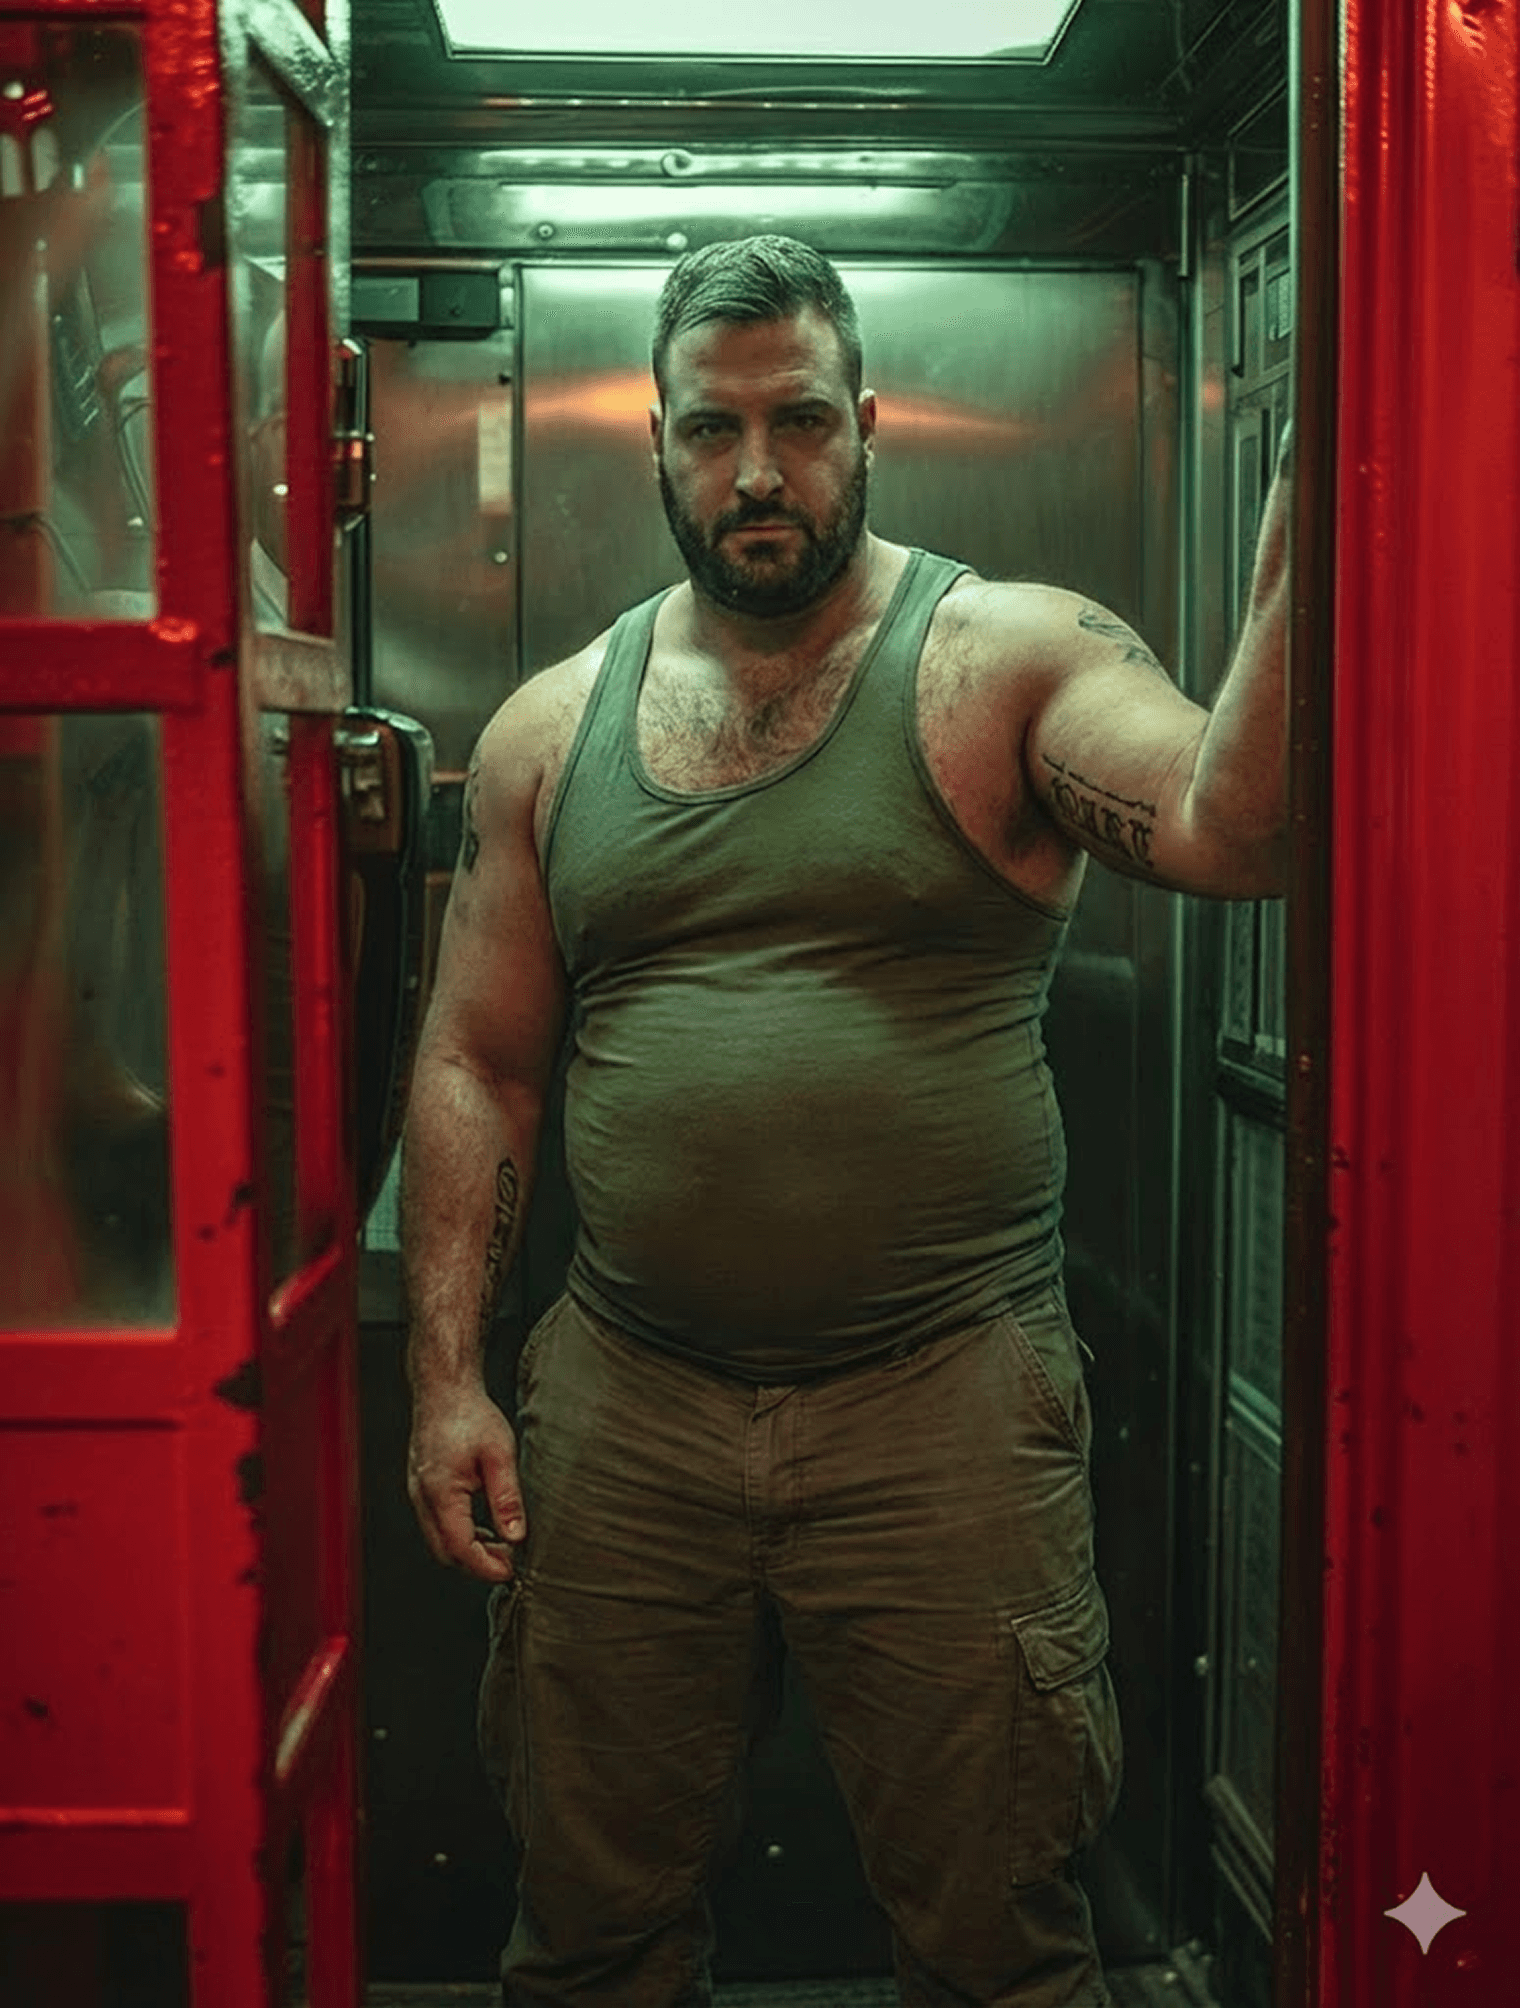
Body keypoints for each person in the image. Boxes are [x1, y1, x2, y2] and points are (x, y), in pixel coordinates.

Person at [400, 235, 1289, 2008]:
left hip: (941, 1405)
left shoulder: (1005, 659)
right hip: (629, 1408)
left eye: (799, 421)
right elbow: (474, 1063)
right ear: (656, 445)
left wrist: (1317, 492)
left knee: (996, 1943)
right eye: (712, 430)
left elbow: (1233, 827)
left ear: (867, 424)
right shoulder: (548, 731)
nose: (757, 472)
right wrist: (446, 1384)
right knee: (588, 1935)